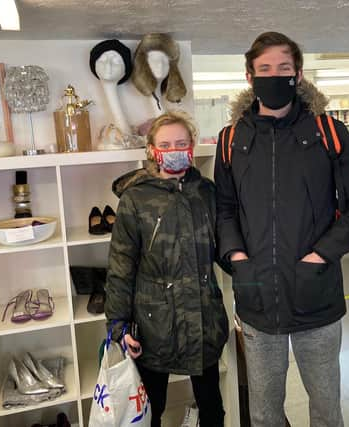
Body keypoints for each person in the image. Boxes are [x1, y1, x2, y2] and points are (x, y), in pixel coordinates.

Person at [215, 32, 349, 427]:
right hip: (257, 297)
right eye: (264, 69)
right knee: (264, 412)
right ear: (250, 76)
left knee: (325, 408)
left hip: (316, 295)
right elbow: (223, 209)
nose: (274, 76)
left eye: (283, 69)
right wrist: (238, 259)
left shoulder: (329, 132)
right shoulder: (232, 139)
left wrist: (321, 255)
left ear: (299, 74)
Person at [105, 111, 229, 427]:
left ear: (191, 146)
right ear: (151, 150)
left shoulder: (207, 193)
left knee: (212, 406)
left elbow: (225, 249)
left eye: (181, 142)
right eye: (165, 143)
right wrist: (118, 324)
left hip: (203, 320)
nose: (173, 149)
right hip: (153, 325)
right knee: (150, 409)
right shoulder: (135, 198)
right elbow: (122, 264)